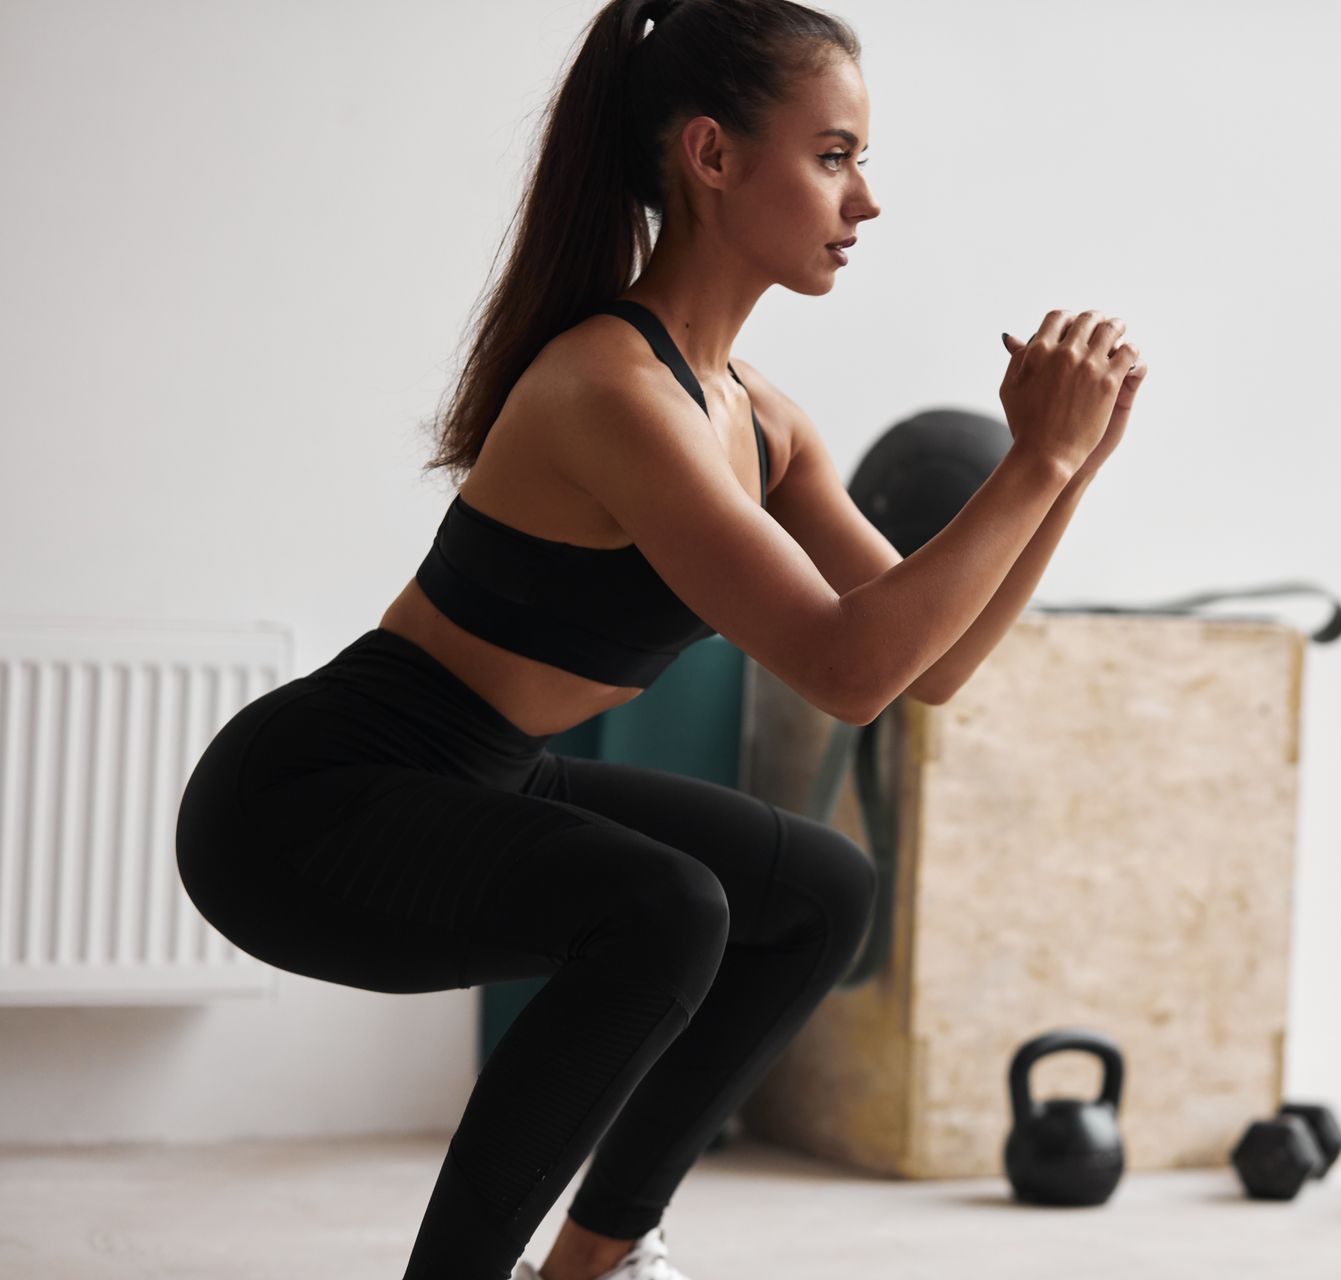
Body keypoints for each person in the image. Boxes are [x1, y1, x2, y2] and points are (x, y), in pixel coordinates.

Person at [173, 0, 1148, 1276]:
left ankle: (595, 1260)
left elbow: (934, 667)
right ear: (713, 154)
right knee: (667, 909)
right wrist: (1034, 461)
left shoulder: (762, 420)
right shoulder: (613, 390)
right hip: (305, 806)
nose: (866, 201)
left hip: (484, 776)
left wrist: (1069, 469)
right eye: (835, 156)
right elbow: (849, 671)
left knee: (819, 891)